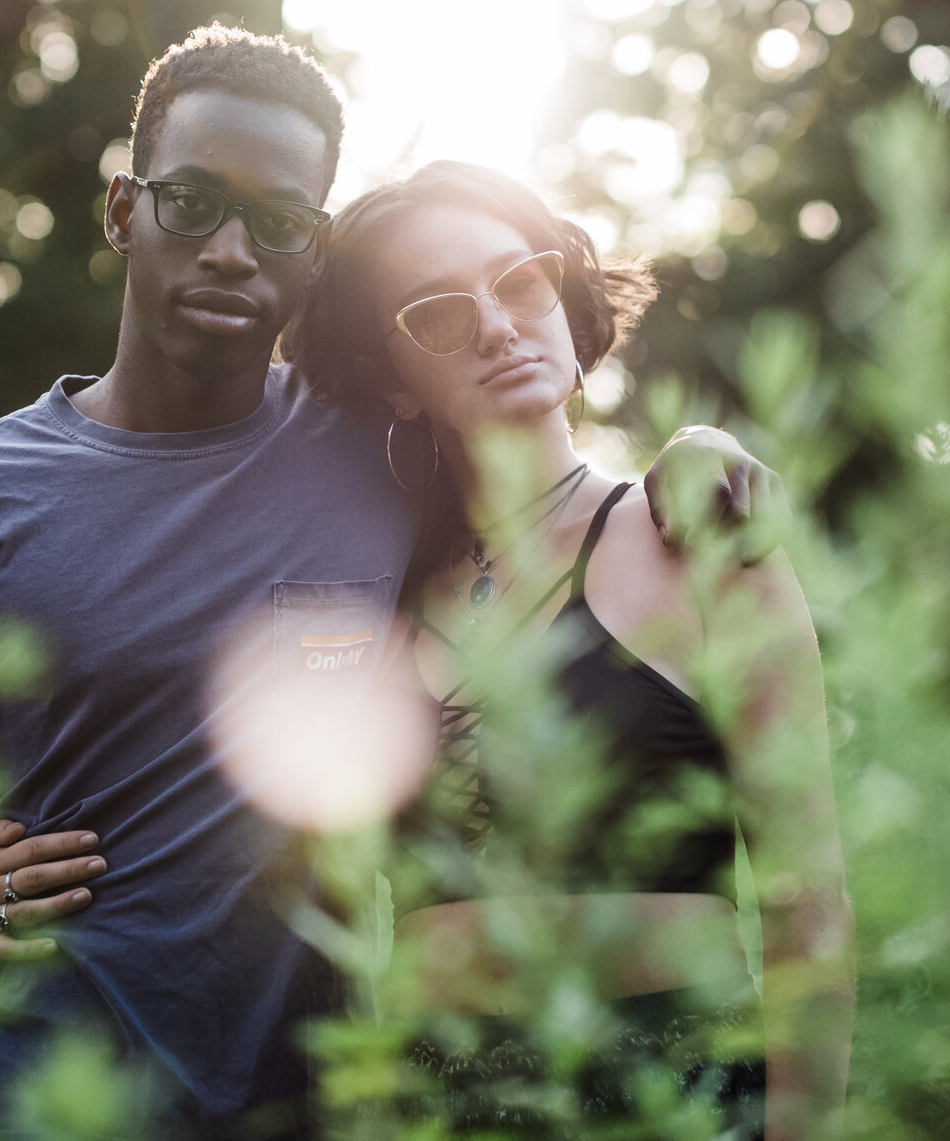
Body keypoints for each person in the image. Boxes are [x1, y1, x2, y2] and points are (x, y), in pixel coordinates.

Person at [0, 27, 768, 1141]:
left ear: (314, 250)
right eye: (191, 204)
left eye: (278, 220)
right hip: (24, 1107)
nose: (232, 250)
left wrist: (698, 449)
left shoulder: (382, 454)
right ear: (123, 209)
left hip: (303, 1114)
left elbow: (536, 477)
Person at [280, 160, 854, 1140]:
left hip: (676, 1101)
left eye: (518, 280)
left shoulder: (703, 538)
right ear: (390, 380)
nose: (496, 324)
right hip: (443, 1109)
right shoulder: (367, 599)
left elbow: (810, 897)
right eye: (438, 312)